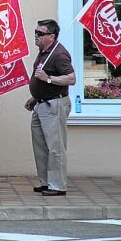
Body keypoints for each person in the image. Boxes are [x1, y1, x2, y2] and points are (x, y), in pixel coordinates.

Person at [25, 19, 75, 196]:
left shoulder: (59, 54)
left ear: (52, 36)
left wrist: (48, 79)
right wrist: (35, 97)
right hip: (41, 104)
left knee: (56, 147)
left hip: (54, 104)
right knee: (40, 146)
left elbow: (71, 78)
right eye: (35, 32)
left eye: (40, 33)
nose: (36, 36)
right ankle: (46, 182)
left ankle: (57, 185)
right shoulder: (44, 52)